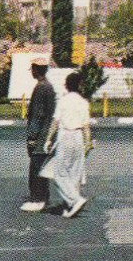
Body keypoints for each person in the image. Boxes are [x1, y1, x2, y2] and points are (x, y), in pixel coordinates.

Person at [42, 71, 93, 218]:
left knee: (59, 173)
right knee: (74, 174)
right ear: (80, 86)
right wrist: (88, 142)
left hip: (65, 136)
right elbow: (86, 126)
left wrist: (48, 139)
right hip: (78, 137)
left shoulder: (63, 101)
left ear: (67, 86)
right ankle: (70, 206)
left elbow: (56, 122)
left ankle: (75, 200)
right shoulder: (84, 102)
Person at [20, 61, 56, 212]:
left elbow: (38, 115)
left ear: (36, 70)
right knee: (41, 166)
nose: (31, 72)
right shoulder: (48, 86)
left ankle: (38, 199)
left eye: (32, 69)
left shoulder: (41, 87)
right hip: (47, 133)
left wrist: (32, 137)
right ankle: (43, 197)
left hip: (41, 134)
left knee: (36, 167)